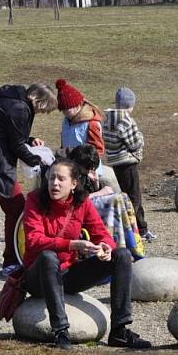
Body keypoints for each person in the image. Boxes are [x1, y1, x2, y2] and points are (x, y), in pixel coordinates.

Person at [21, 159, 151, 350]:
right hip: (38, 277)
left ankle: (120, 330)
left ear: (73, 184)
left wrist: (106, 247)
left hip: (68, 274)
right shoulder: (34, 199)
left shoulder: (81, 203)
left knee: (121, 255)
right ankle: (61, 332)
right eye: (51, 178)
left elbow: (102, 234)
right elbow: (34, 240)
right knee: (48, 257)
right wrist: (72, 245)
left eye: (61, 179)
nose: (54, 183)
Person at [0, 83, 57, 277]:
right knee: (16, 209)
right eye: (44, 109)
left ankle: (15, 258)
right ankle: (12, 262)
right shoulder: (19, 108)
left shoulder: (11, 100)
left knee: (15, 209)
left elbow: (10, 133)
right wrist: (38, 159)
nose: (43, 113)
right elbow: (15, 144)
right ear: (39, 102)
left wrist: (30, 141)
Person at [66, 144, 144, 260]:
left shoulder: (84, 172)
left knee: (123, 197)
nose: (89, 171)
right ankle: (118, 247)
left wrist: (96, 183)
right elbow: (73, 199)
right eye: (87, 168)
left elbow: (90, 191)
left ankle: (131, 244)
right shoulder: (69, 173)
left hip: (87, 203)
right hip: (76, 208)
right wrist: (100, 192)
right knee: (115, 200)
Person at [103, 87, 155, 242]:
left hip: (116, 161)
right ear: (129, 104)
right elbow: (134, 144)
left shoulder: (107, 119)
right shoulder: (126, 120)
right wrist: (141, 137)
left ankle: (142, 228)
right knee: (134, 198)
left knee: (131, 194)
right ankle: (130, 231)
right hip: (127, 161)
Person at [56, 78, 105, 157]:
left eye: (67, 109)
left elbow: (98, 151)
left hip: (85, 167)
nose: (64, 113)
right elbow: (64, 145)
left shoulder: (91, 124)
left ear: (77, 105)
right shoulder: (66, 122)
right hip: (69, 165)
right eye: (62, 110)